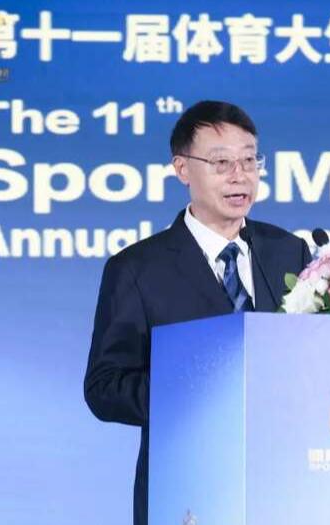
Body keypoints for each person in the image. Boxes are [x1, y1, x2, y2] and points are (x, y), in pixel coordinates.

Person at [84, 100, 312, 525]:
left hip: (281, 484)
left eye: (249, 160)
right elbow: (104, 387)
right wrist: (196, 395)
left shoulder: (289, 252)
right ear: (182, 169)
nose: (239, 175)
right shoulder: (136, 269)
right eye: (221, 162)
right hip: (188, 489)